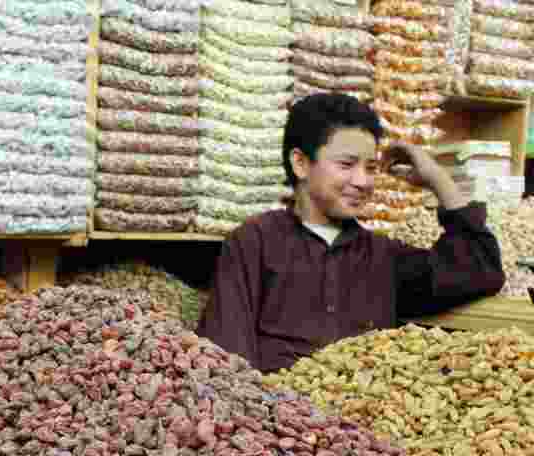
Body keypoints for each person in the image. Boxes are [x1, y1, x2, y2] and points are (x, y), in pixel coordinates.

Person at [197, 93, 504, 373]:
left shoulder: (382, 256)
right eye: (347, 164)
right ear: (301, 163)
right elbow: (225, 357)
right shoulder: (255, 241)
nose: (363, 181)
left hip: (364, 424)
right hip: (277, 420)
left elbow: (481, 269)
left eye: (371, 168)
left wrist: (438, 179)